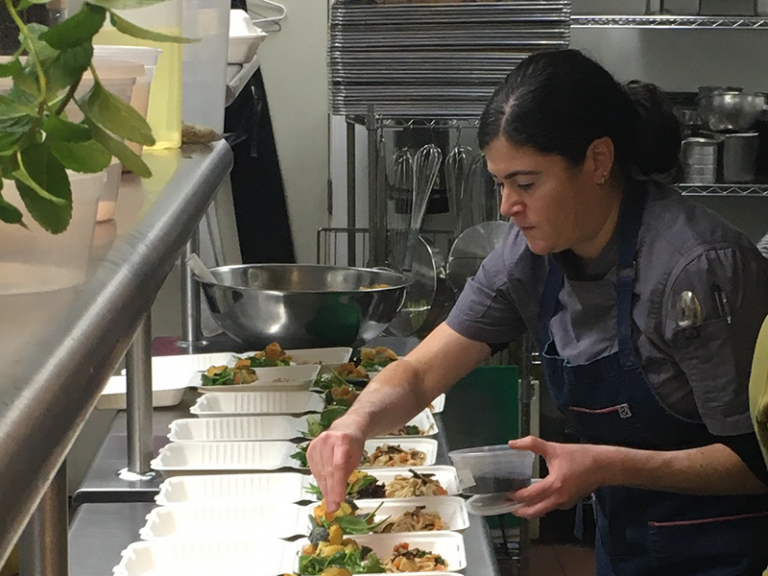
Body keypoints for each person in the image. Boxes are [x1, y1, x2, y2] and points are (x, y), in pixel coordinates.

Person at [307, 49, 768, 576]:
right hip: (630, 538)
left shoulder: (698, 268)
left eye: (525, 184)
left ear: (598, 160)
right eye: (499, 184)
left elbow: (756, 462)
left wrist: (607, 464)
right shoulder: (527, 259)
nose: (506, 207)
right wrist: (354, 426)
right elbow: (418, 372)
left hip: (729, 549)